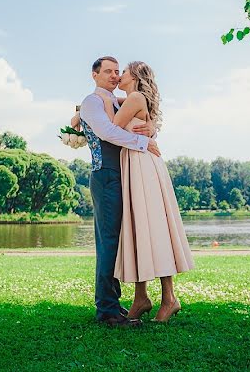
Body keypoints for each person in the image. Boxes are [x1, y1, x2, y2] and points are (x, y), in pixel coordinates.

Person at [97, 61, 194, 322]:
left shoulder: (135, 97)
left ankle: (169, 298)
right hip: (136, 163)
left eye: (123, 72)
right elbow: (116, 105)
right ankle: (141, 297)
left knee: (151, 227)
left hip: (141, 165)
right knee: (140, 228)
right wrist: (80, 111)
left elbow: (110, 127)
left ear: (135, 76)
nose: (119, 76)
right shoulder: (132, 98)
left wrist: (95, 103)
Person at [72, 56, 160, 327]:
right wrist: (142, 142)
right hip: (106, 176)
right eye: (108, 71)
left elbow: (140, 106)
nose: (113, 75)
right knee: (109, 242)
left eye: (117, 71)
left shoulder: (114, 101)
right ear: (94, 74)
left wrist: (152, 127)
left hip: (124, 176)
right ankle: (107, 311)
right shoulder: (92, 102)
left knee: (119, 242)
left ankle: (114, 303)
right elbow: (108, 132)